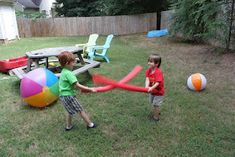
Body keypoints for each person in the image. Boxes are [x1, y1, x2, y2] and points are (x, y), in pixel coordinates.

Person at [58, 51, 97, 131]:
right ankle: (90, 125)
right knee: (80, 110)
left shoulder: (63, 72)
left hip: (63, 96)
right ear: (67, 63)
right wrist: (90, 89)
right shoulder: (69, 74)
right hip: (69, 96)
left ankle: (68, 126)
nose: (74, 63)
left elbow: (68, 85)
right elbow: (78, 85)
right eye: (73, 62)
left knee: (70, 111)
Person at [145, 54, 164, 121]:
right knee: (153, 103)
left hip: (158, 92)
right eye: (149, 61)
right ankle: (157, 111)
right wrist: (147, 86)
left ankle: (156, 118)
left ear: (157, 64)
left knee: (156, 104)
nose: (149, 63)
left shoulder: (158, 72)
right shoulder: (148, 71)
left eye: (151, 61)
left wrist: (151, 88)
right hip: (152, 91)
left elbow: (158, 82)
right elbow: (147, 79)